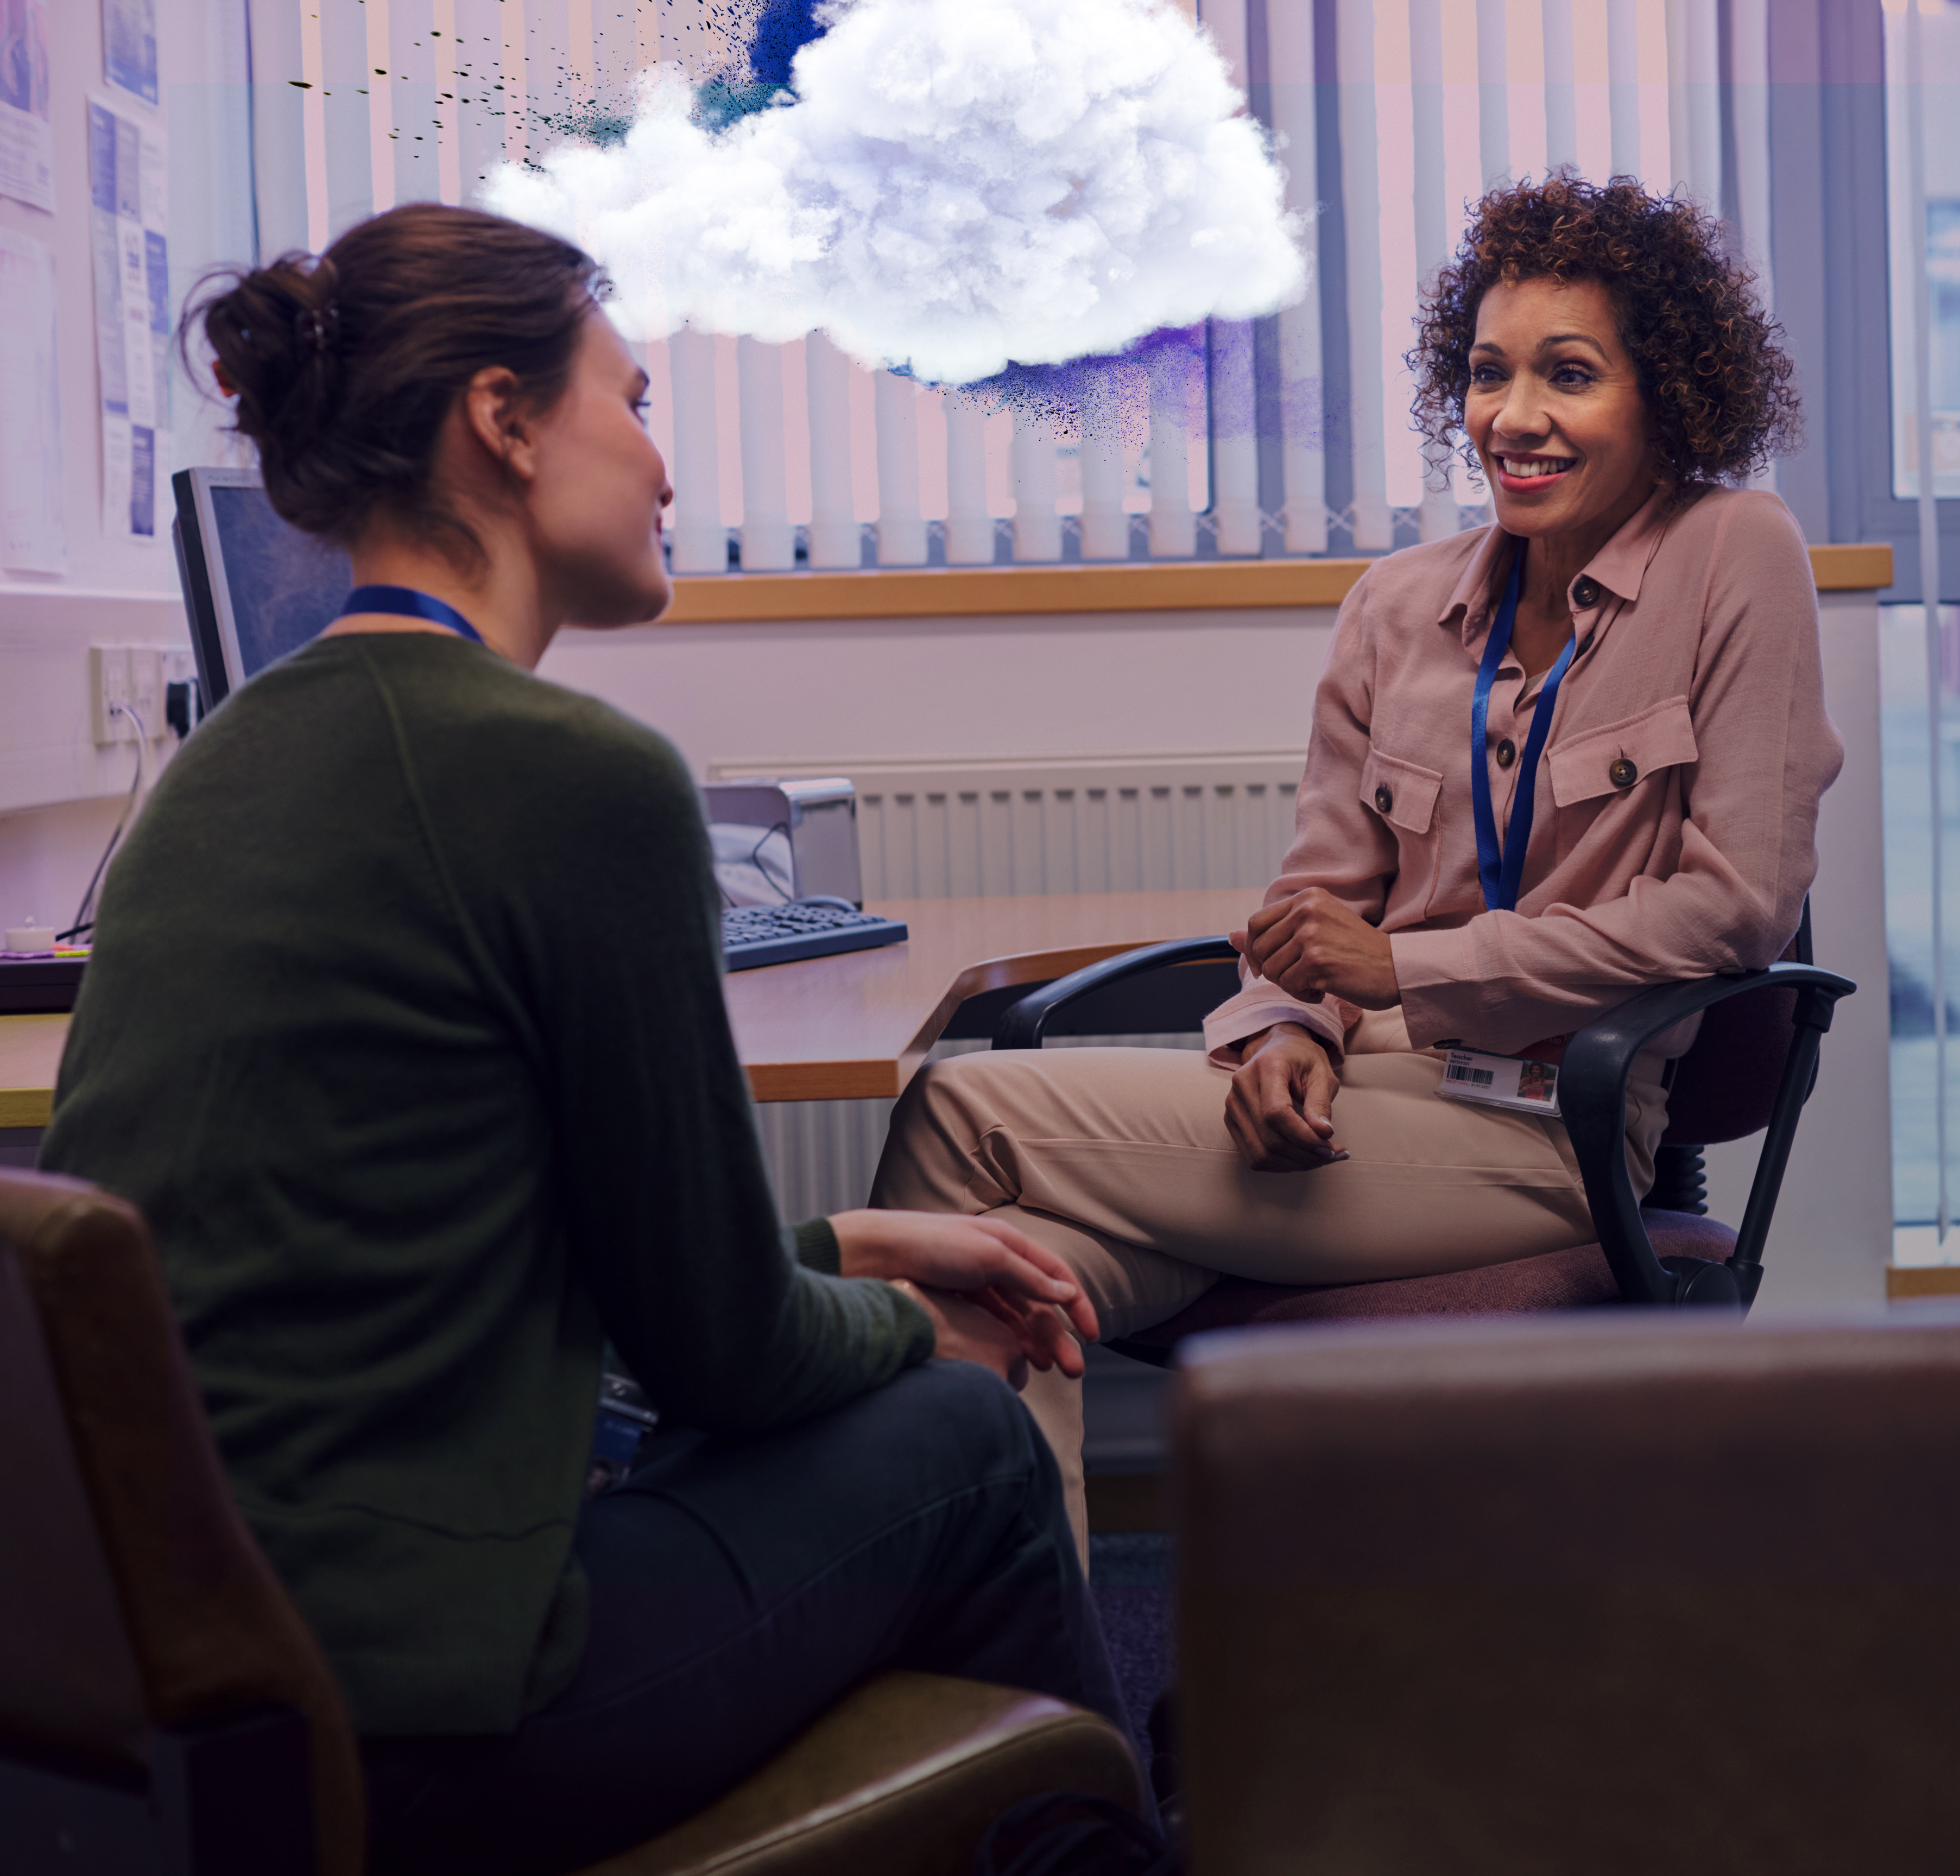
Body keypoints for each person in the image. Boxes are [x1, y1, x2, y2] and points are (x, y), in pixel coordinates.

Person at [39, 202, 1128, 1875]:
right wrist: (914, 1330)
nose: (666, 467)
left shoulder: (220, 773)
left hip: (181, 1687)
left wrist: (842, 1243)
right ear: (504, 419)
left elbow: (444, 1253)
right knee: (967, 1447)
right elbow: (730, 1361)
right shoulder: (574, 778)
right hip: (431, 1715)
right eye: (635, 401)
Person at [872, 174, 1844, 1552]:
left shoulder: (1734, 551)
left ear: (1666, 395)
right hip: (1364, 1109)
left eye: (1569, 375)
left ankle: (990, 1678)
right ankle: (1037, 1700)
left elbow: (1733, 907)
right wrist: (1283, 1032)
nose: (1514, 417)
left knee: (963, 1122)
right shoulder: (1397, 608)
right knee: (1020, 1279)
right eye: (1488, 374)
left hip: (1557, 1120)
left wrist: (1406, 968)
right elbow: (1314, 903)